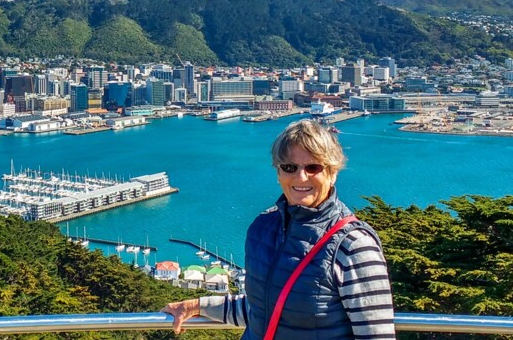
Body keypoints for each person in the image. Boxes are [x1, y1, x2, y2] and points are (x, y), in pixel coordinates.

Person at [162, 119, 395, 339]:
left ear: (332, 173)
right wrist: (197, 306)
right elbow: (263, 310)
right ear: (278, 172)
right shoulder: (263, 228)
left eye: (313, 167)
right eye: (290, 167)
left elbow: (377, 334)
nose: (301, 177)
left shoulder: (353, 245)